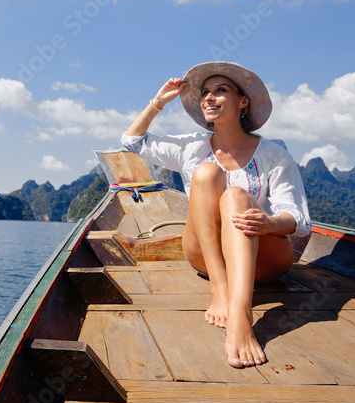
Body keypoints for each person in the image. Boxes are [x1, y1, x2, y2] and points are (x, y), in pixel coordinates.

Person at [121, 61, 311, 369]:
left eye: (220, 90)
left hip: (262, 259)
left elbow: (297, 219)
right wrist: (158, 102)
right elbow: (132, 141)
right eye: (205, 93)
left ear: (243, 101)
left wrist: (269, 223)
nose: (209, 97)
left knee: (236, 196)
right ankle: (220, 290)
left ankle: (241, 315)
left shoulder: (274, 155)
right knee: (206, 173)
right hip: (206, 256)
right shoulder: (191, 148)